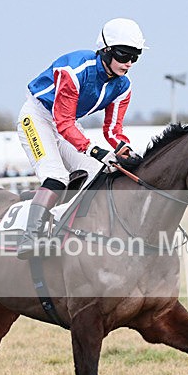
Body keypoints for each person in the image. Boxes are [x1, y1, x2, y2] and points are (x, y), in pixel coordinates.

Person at [15, 18, 146, 259]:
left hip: (67, 122)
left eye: (135, 57)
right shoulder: (75, 69)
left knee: (99, 173)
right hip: (38, 116)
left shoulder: (123, 86)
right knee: (56, 176)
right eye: (124, 55)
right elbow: (63, 122)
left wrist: (125, 150)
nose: (129, 63)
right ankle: (30, 236)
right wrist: (94, 150)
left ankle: (61, 223)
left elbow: (113, 131)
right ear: (106, 50)